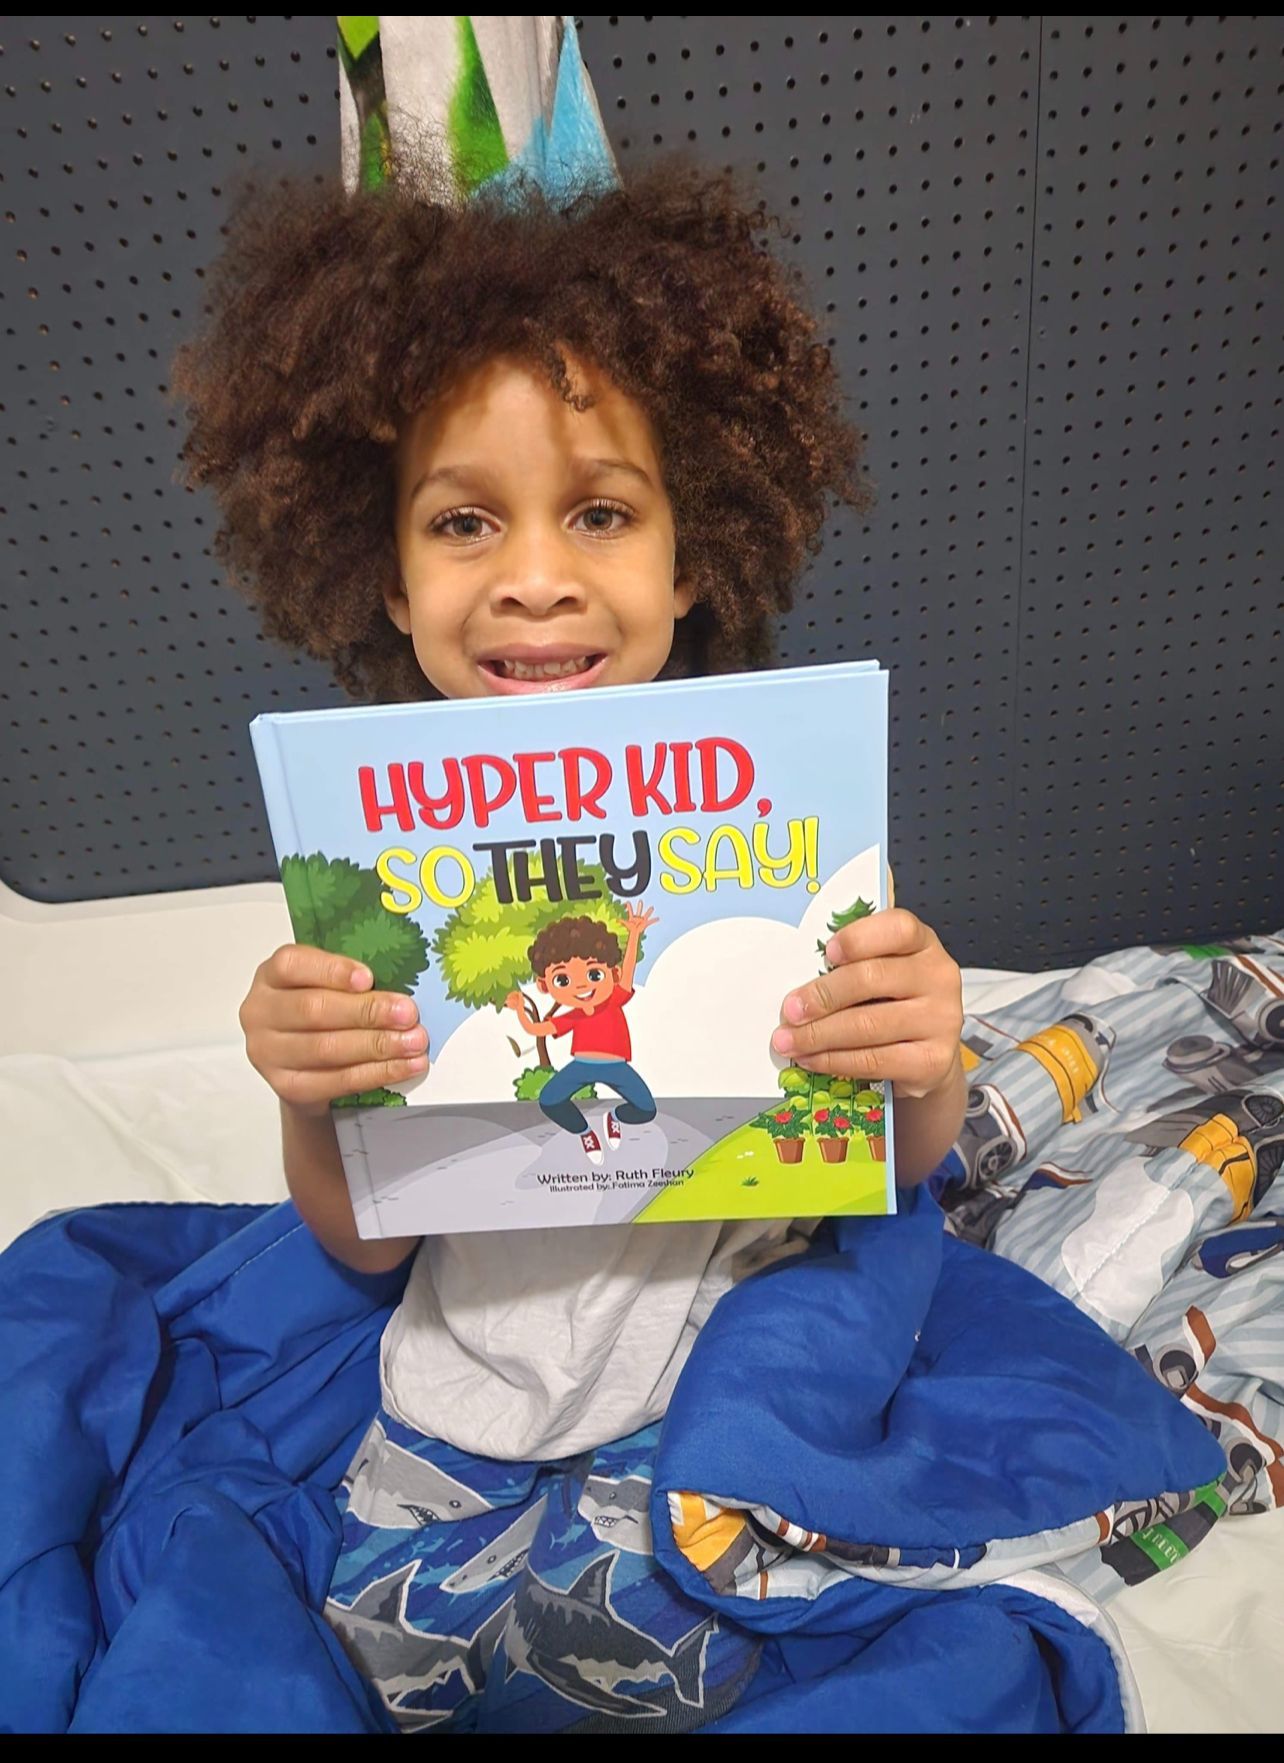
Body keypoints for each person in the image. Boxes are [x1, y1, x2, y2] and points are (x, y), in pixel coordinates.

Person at [175, 152, 966, 1723]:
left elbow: (898, 1154)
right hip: (466, 1380)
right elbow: (365, 1238)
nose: (535, 577)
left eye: (600, 512)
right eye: (464, 523)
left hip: (726, 1370)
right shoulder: (375, 862)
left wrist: (920, 1048)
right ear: (389, 582)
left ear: (689, 559)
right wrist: (309, 1089)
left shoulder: (781, 812)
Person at [505, 905, 658, 1163]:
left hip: (616, 1067)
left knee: (646, 1109)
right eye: (563, 980)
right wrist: (520, 1010)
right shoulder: (573, 1016)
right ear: (544, 985)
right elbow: (536, 1029)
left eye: (593, 974)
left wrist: (634, 935)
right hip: (583, 1066)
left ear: (613, 974)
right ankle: (585, 1132)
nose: (581, 985)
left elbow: (629, 968)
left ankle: (615, 1118)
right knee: (550, 1100)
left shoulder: (614, 999)